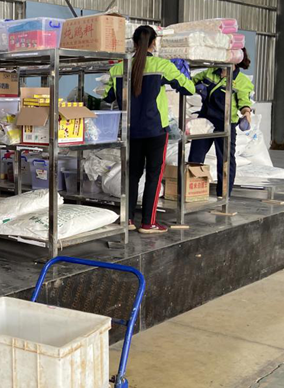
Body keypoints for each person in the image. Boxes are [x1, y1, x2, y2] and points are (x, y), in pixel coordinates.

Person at [105, 25, 196, 234]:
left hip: (130, 131)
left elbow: (108, 97)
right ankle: (148, 223)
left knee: (132, 175)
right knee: (154, 176)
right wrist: (181, 72)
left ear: (134, 43)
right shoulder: (162, 66)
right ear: (153, 43)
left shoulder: (118, 68)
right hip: (155, 130)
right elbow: (188, 88)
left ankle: (128, 219)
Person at [188, 48, 254, 197]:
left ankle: (223, 194)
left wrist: (246, 113)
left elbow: (244, 102)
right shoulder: (210, 72)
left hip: (225, 122)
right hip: (205, 119)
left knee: (225, 159)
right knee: (195, 155)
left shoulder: (241, 81)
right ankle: (192, 192)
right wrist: (193, 86)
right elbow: (191, 82)